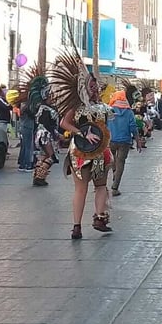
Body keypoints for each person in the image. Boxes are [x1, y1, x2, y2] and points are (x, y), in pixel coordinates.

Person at [50, 48, 115, 240]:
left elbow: (104, 127)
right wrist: (82, 132)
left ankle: (99, 218)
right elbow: (64, 123)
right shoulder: (78, 107)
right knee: (83, 188)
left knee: (101, 185)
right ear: (85, 88)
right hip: (81, 152)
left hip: (100, 151)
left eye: (97, 87)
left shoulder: (103, 107)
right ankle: (77, 226)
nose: (96, 90)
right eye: (92, 87)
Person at [107, 85, 142, 197]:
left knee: (112, 160)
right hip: (124, 141)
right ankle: (115, 187)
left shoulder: (110, 111)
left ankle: (114, 173)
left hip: (111, 140)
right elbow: (133, 127)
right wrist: (138, 140)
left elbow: (105, 125)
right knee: (120, 162)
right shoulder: (129, 112)